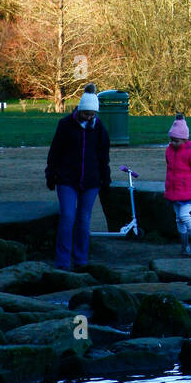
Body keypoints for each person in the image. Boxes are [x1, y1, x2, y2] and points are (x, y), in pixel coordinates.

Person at [45, 89, 111, 270]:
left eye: (92, 114)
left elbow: (103, 156)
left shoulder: (99, 128)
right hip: (67, 179)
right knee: (67, 216)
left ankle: (81, 259)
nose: (89, 117)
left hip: (91, 181)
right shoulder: (65, 125)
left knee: (84, 219)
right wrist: (51, 173)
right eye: (86, 114)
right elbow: (55, 152)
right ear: (80, 110)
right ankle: (63, 261)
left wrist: (106, 178)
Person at [164, 115, 191, 255]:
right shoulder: (169, 150)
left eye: (176, 141)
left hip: (186, 191)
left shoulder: (190, 153)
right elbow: (169, 167)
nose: (173, 143)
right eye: (172, 140)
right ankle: (185, 246)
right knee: (179, 218)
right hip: (174, 190)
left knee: (184, 215)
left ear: (184, 139)